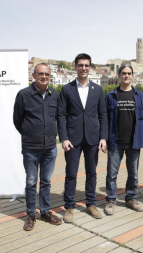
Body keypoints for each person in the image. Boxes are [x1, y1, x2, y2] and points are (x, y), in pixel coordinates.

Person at [58, 53, 108, 223]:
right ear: (76, 67)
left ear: (90, 67)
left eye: (86, 65)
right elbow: (61, 115)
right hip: (72, 139)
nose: (84, 68)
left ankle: (91, 204)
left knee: (91, 173)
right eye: (80, 65)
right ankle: (70, 207)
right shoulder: (67, 89)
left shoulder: (98, 89)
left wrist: (103, 137)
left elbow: (103, 115)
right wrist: (63, 137)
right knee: (71, 173)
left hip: (93, 138)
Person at [13, 63, 62, 231]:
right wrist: (29, 134)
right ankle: (31, 214)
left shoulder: (53, 94)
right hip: (31, 148)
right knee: (31, 182)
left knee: (46, 181)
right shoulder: (23, 95)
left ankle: (45, 212)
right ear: (33, 75)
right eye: (40, 74)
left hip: (50, 147)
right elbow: (17, 120)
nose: (44, 77)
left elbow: (57, 118)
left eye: (47, 74)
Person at [104, 63, 143, 215]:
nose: (126, 76)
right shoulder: (111, 96)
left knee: (133, 173)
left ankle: (130, 197)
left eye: (129, 73)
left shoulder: (139, 96)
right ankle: (111, 200)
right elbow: (104, 119)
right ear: (119, 76)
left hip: (134, 141)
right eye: (123, 73)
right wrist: (103, 139)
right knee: (112, 173)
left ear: (132, 76)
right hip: (115, 141)